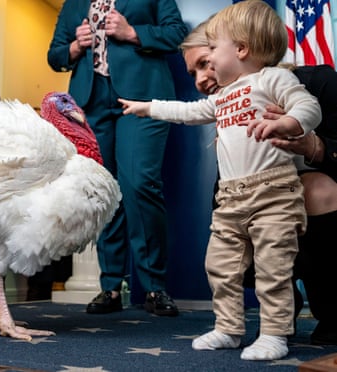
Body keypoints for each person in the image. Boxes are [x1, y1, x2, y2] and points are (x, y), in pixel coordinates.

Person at [119, 0, 321, 360]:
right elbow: (189, 112)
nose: (209, 59)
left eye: (213, 48)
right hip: (231, 199)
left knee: (272, 267)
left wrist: (287, 123)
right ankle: (228, 328)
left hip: (273, 191)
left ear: (241, 49)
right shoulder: (223, 96)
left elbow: (308, 106)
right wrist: (148, 107)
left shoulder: (273, 78)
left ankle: (274, 333)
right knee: (220, 265)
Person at [182, 18, 337, 347]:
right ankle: (279, 312)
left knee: (316, 188)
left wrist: (317, 148)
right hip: (260, 209)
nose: (200, 80)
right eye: (193, 73)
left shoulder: (319, 83)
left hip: (318, 200)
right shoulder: (228, 109)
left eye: (205, 64)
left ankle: (332, 311)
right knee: (230, 226)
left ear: (241, 49)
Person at [47, 0, 188, 316]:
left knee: (140, 183)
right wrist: (73, 46)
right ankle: (110, 286)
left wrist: (133, 32)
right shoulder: (74, 4)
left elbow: (177, 33)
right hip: (91, 104)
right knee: (103, 192)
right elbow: (55, 55)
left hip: (141, 98)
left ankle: (154, 287)